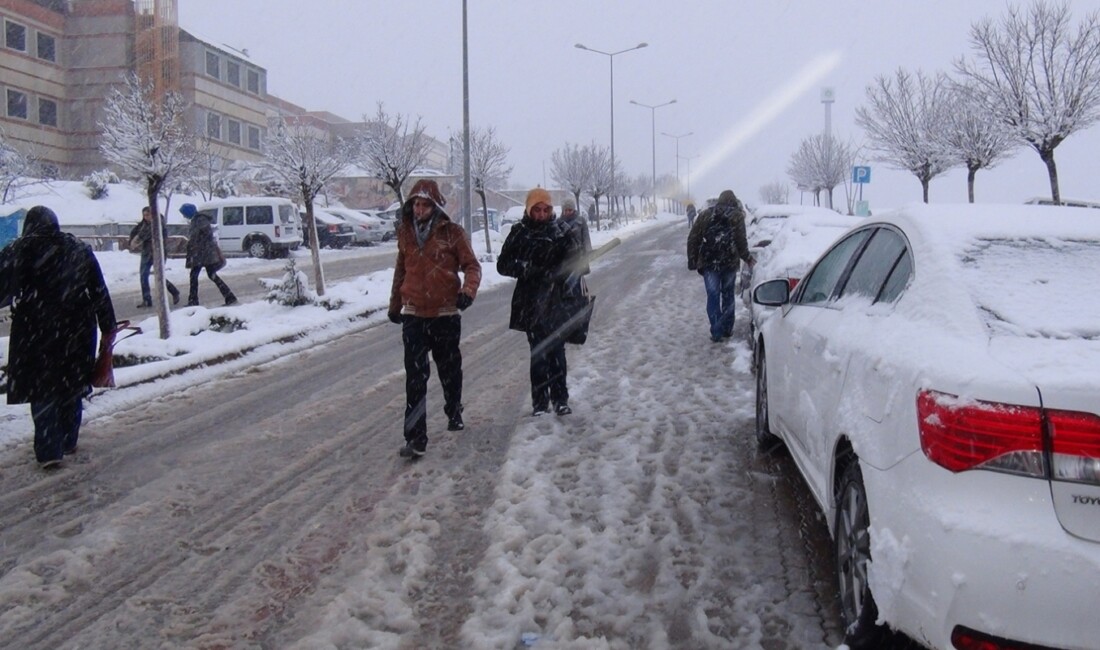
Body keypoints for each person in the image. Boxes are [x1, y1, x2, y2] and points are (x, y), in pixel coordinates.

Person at [0, 206, 116, 469]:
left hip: (35, 330)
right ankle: (67, 439)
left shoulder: (18, 250)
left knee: (42, 388)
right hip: (77, 329)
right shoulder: (78, 249)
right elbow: (99, 290)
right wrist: (108, 327)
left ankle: (49, 449)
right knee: (71, 384)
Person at [387, 179, 481, 459]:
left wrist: (468, 291)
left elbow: (472, 266)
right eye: (415, 204)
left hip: (444, 314)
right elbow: (400, 271)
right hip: (414, 314)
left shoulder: (452, 233)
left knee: (449, 370)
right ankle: (416, 437)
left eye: (425, 204)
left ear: (435, 206)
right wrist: (395, 304)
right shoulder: (405, 233)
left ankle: (454, 408)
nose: (419, 209)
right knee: (415, 377)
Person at [497, 188, 583, 417]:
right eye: (537, 209)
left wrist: (562, 273)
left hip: (556, 301)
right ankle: (540, 403)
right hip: (531, 302)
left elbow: (577, 264)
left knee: (556, 351)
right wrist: (528, 269)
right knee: (538, 353)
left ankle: (560, 399)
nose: (542, 214)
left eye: (546, 209)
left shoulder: (561, 232)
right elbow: (503, 264)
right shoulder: (519, 232)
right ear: (529, 209)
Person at [686, 189, 754, 342]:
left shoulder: (705, 215)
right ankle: (727, 329)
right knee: (728, 294)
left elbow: (693, 238)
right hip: (729, 263)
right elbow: (741, 241)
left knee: (713, 296)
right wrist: (747, 258)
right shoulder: (737, 216)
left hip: (710, 263)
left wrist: (693, 260)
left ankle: (716, 330)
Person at [180, 203, 236, 307]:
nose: (184, 216)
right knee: (209, 275)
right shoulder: (197, 220)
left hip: (204, 254)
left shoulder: (200, 220)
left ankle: (193, 301)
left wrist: (195, 243)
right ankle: (229, 296)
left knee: (196, 276)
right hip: (203, 254)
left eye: (184, 213)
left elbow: (204, 235)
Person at [130, 206, 181, 308]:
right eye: (144, 215)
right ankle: (147, 299)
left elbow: (145, 234)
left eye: (148, 215)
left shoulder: (158, 223)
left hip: (158, 252)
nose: (146, 217)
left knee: (159, 276)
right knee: (143, 275)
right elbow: (137, 231)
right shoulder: (144, 224)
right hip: (147, 252)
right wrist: (132, 239)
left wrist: (135, 241)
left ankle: (174, 292)